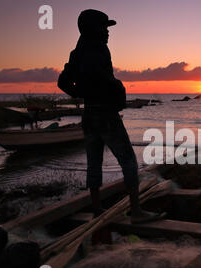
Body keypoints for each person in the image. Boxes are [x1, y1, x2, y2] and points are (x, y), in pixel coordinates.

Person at [58, 10, 165, 241]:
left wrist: (83, 93)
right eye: (104, 27)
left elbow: (63, 82)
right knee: (128, 161)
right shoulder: (99, 49)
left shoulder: (78, 52)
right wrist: (116, 86)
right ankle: (136, 212)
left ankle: (97, 209)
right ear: (93, 28)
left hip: (90, 115)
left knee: (93, 163)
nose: (107, 32)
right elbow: (102, 79)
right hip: (106, 114)